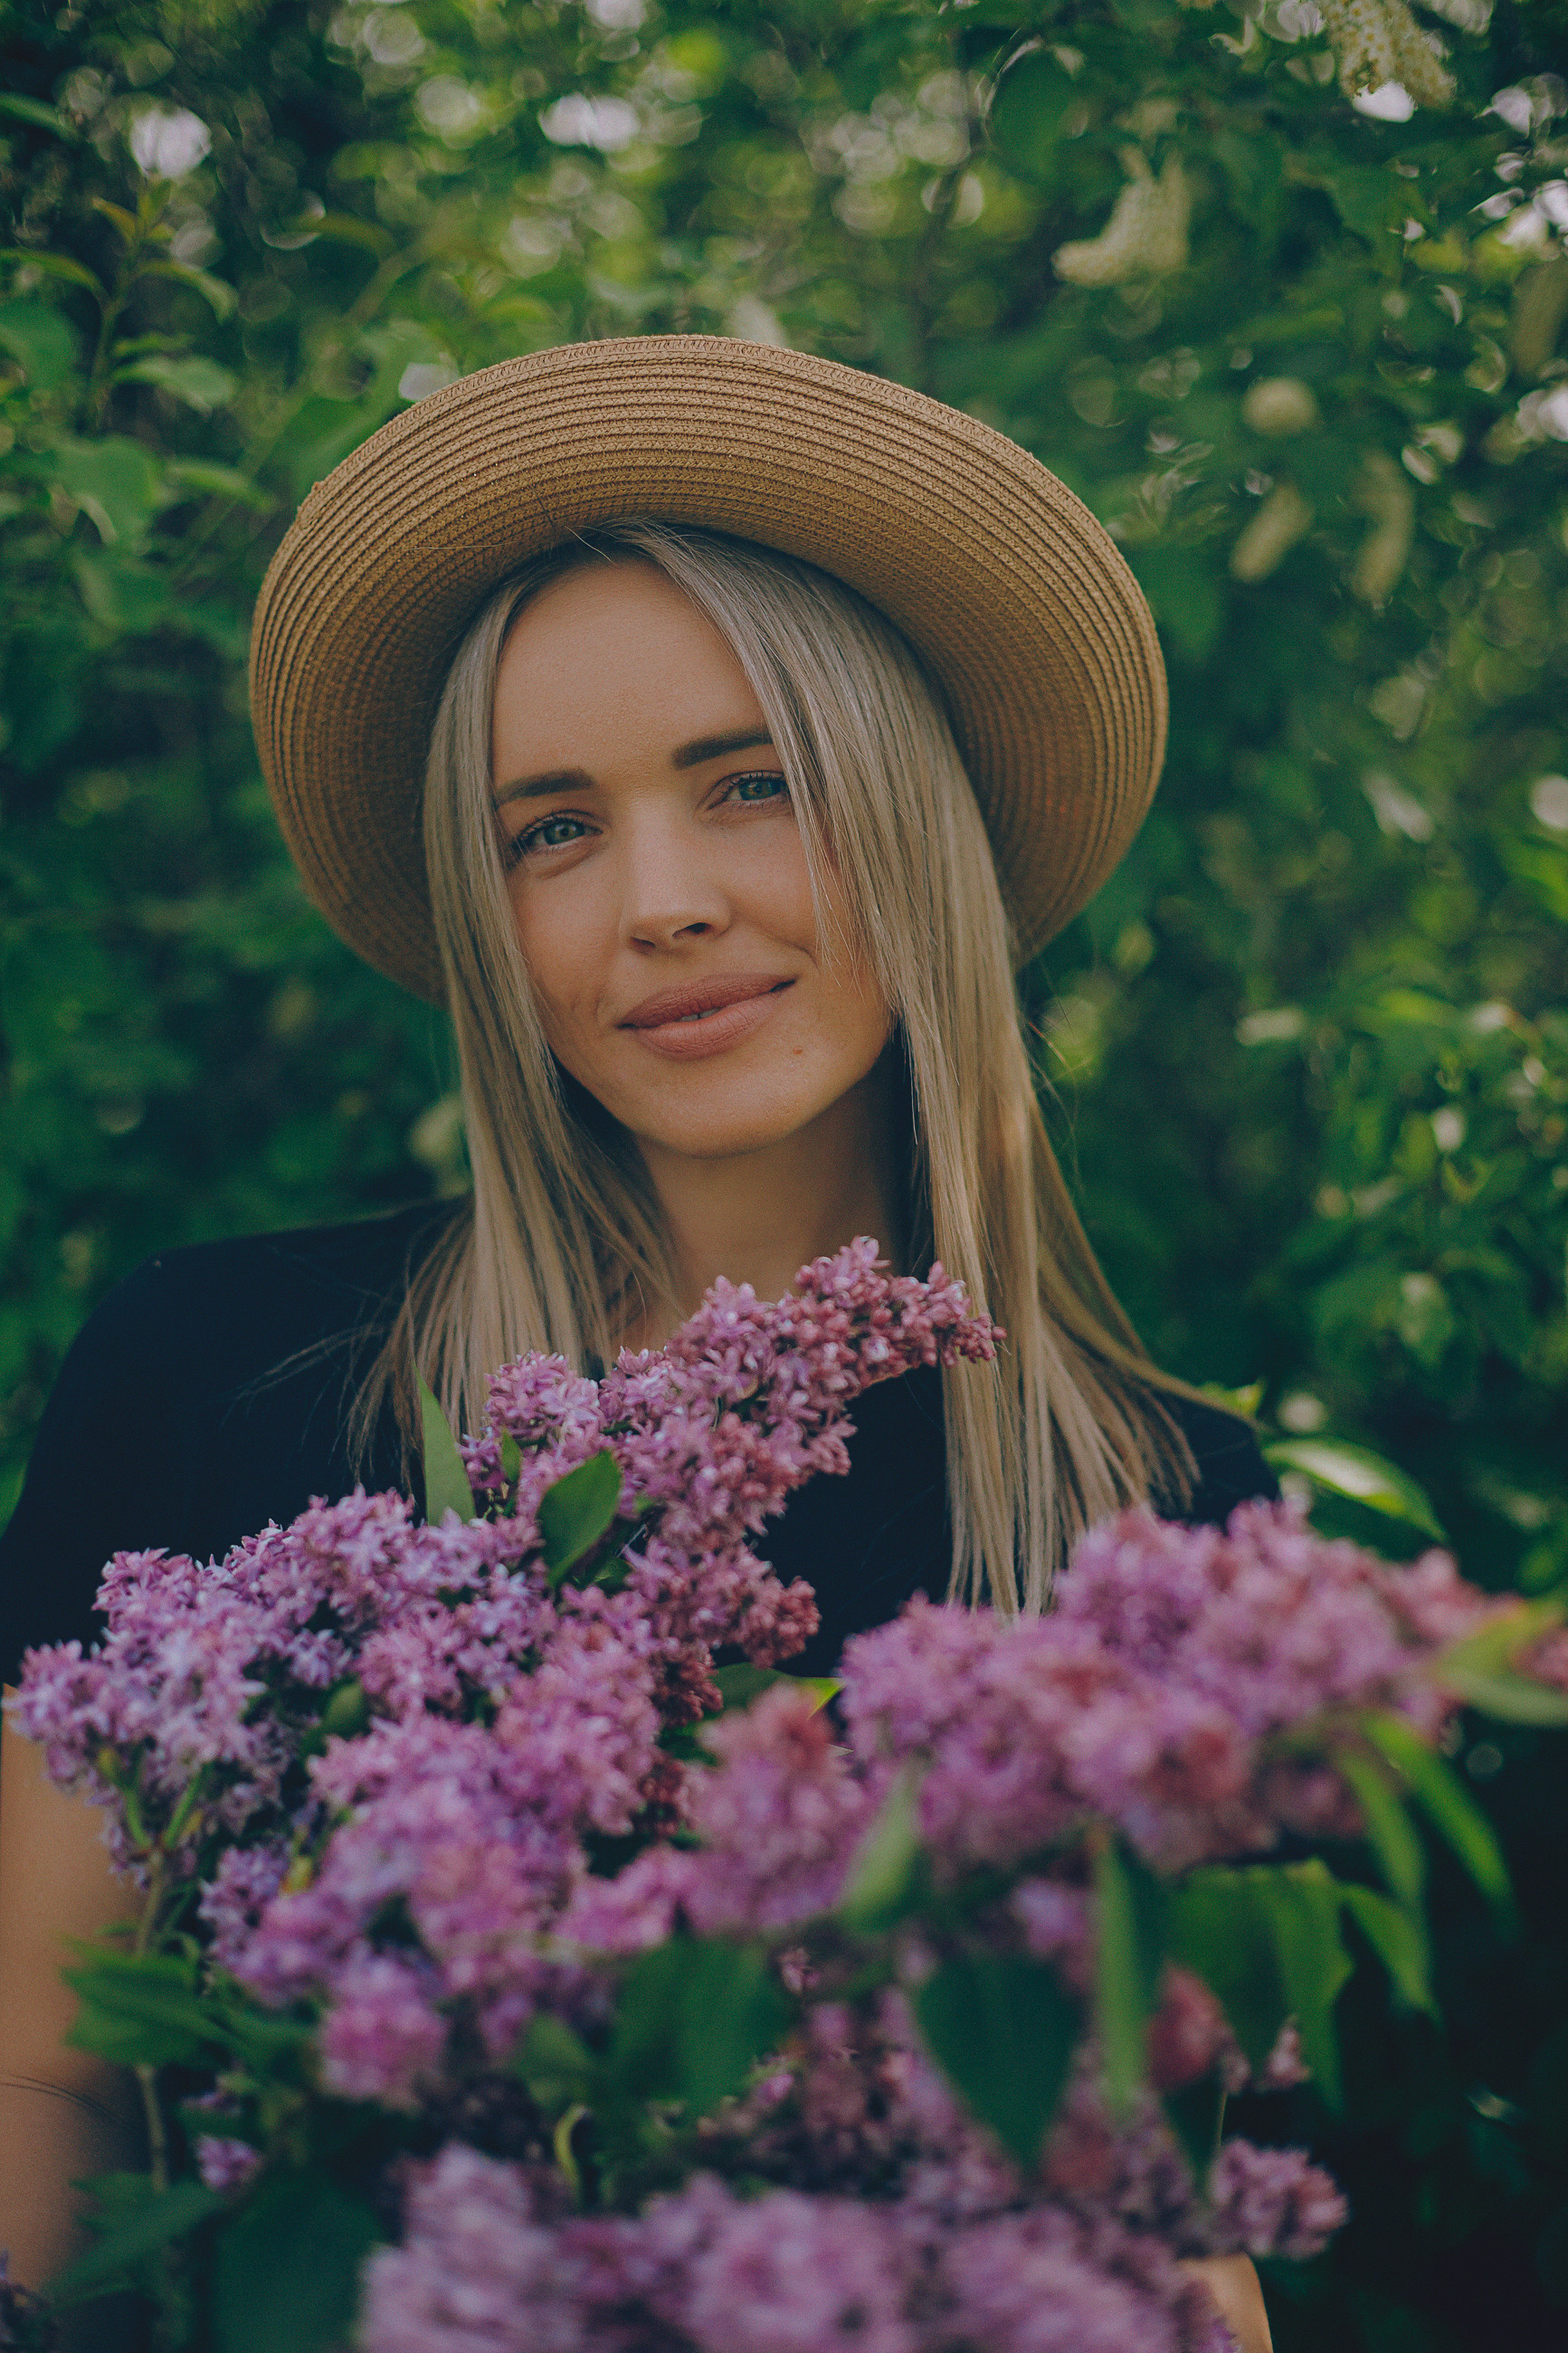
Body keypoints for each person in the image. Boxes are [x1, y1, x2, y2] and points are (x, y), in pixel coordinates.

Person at [0, 338, 1277, 2348]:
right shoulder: (216, 1380)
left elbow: (1163, 2237)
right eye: (553, 828)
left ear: (914, 820)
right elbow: (45, 2066)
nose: (661, 903)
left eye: (752, 781)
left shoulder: (1172, 1525)